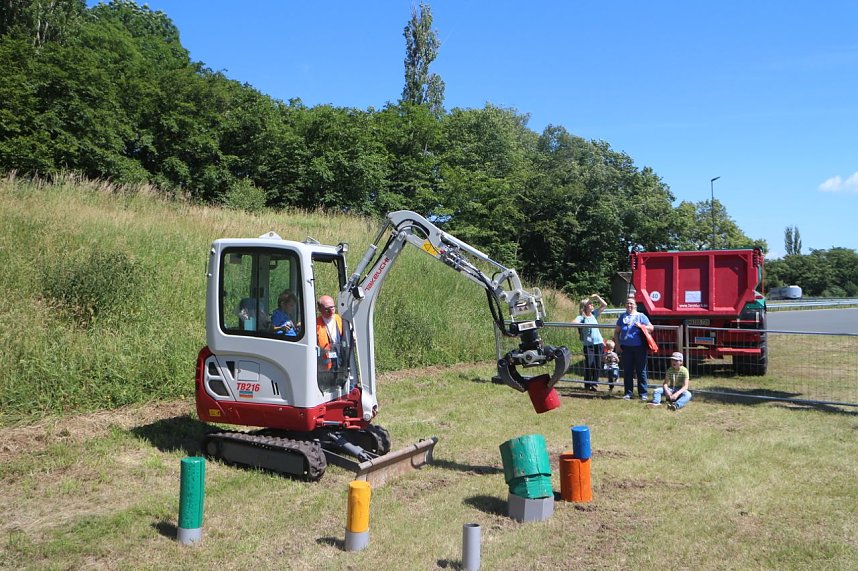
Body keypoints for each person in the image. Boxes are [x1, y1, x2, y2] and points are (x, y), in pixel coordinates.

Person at [614, 296, 654, 401]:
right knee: (628, 371)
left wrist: (641, 326)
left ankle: (643, 394)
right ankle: (628, 393)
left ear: (635, 305)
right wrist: (617, 345)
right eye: (627, 303)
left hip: (640, 348)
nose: (629, 305)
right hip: (626, 348)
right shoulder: (622, 317)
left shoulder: (641, 316)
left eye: (631, 303)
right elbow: (617, 332)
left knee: (641, 371)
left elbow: (651, 328)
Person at [573, 294, 608, 391]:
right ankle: (588, 384)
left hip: (599, 343)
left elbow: (604, 305)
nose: (592, 305)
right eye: (590, 304)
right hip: (588, 345)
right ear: (585, 307)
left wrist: (597, 297)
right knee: (589, 364)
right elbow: (574, 322)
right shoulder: (581, 317)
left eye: (592, 304)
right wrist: (581, 322)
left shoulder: (594, 314)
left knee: (597, 365)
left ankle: (594, 384)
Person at [316, 295, 343, 371]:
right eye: (327, 309)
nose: (331, 311)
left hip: (340, 355)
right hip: (324, 360)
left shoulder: (340, 319)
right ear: (320, 309)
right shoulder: (315, 324)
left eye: (332, 307)